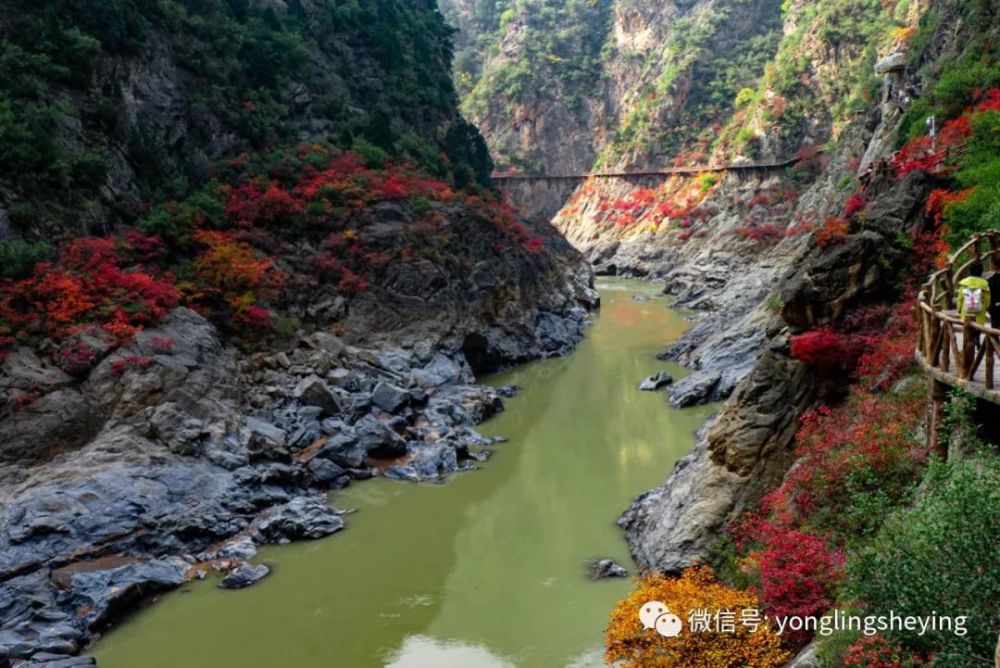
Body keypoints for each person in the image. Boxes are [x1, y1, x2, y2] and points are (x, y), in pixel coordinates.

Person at [957, 261, 991, 345]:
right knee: (978, 328)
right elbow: (987, 298)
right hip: (980, 310)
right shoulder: (984, 283)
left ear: (970, 271)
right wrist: (987, 306)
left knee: (967, 329)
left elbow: (960, 298)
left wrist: (959, 308)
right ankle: (977, 342)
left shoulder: (964, 283)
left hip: (966, 310)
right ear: (981, 271)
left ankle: (967, 345)